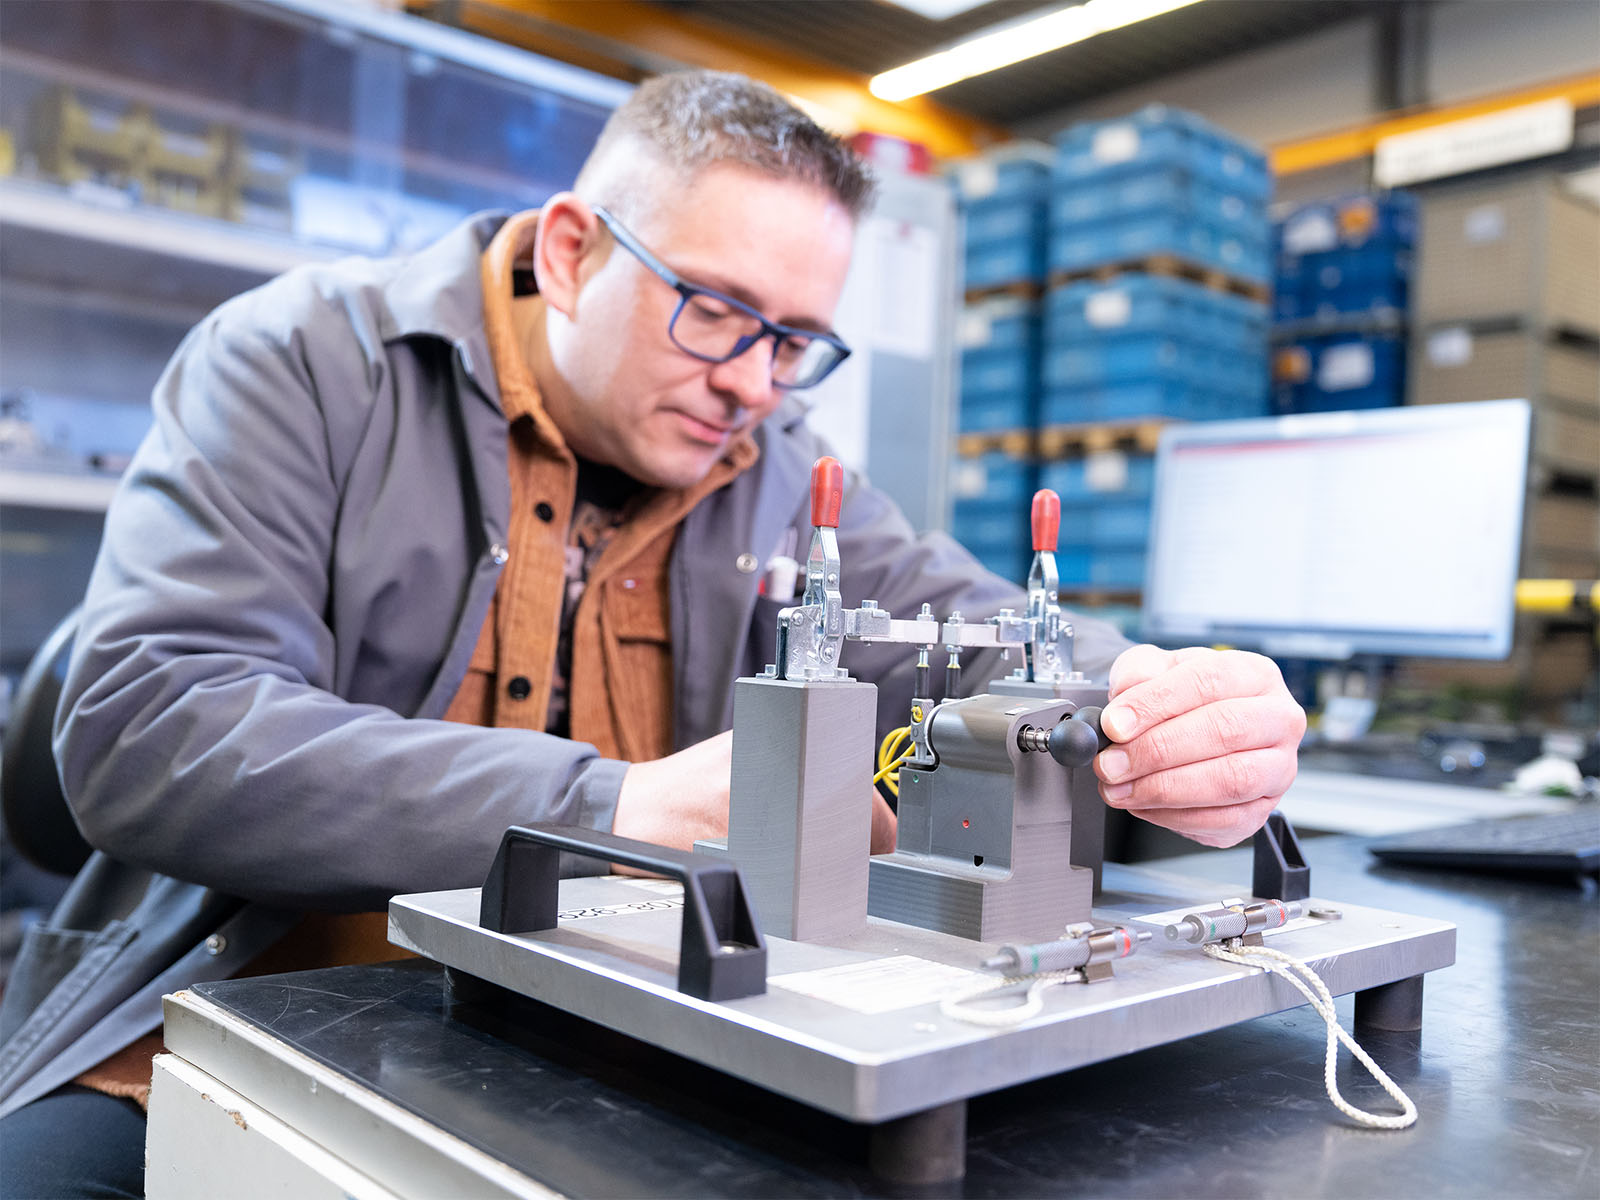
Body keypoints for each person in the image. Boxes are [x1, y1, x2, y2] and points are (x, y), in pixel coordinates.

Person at [0, 70, 1304, 1193]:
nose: (752, 382)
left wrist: (1163, 700)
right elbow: (145, 726)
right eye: (716, 312)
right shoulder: (300, 363)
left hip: (620, 1044)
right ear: (571, 251)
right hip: (242, 1011)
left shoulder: (776, 468)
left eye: (794, 342)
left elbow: (978, 630)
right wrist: (614, 807)